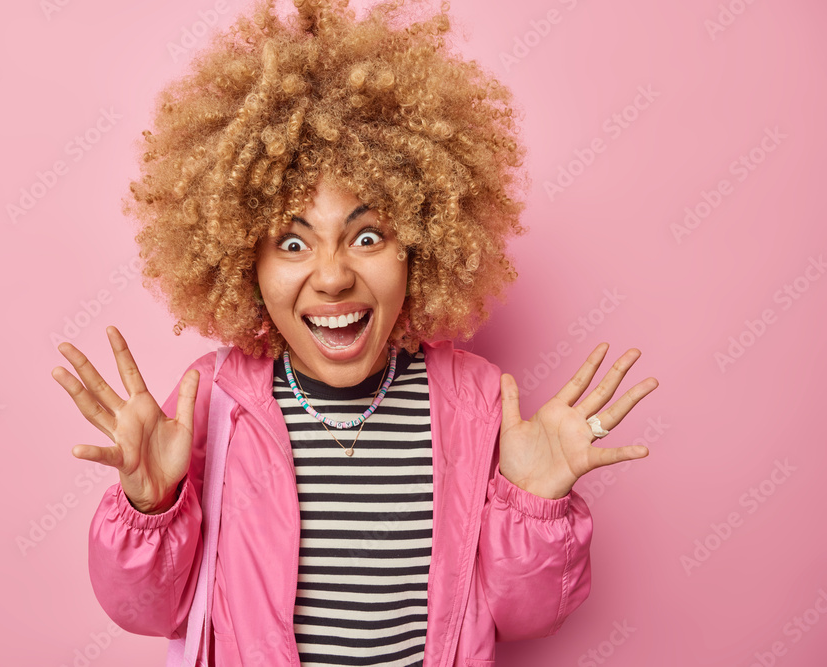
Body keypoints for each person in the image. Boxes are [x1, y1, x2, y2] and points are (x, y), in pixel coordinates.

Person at [50, 0, 659, 665]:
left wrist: (535, 507)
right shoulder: (215, 402)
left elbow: (524, 617)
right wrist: (150, 506)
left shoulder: (476, 403)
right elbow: (148, 611)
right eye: (291, 241)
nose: (333, 276)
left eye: (367, 236)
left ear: (420, 247)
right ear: (242, 263)